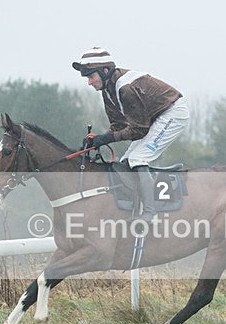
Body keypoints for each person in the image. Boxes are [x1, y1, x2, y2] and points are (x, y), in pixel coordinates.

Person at [72, 47, 189, 226]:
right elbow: (118, 125)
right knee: (127, 161)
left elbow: (139, 130)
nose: (88, 82)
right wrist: (96, 140)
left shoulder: (125, 89)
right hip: (154, 118)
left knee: (137, 158)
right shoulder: (107, 90)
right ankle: (136, 208)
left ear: (105, 71)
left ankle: (150, 214)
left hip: (172, 114)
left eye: (90, 76)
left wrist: (105, 139)